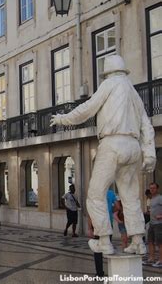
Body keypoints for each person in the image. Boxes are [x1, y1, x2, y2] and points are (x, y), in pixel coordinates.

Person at [50, 55, 156, 255]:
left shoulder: (109, 84)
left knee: (96, 194)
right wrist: (149, 153)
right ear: (124, 70)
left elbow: (87, 109)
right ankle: (138, 241)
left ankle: (104, 240)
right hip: (133, 146)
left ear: (107, 73)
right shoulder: (133, 92)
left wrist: (63, 119)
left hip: (112, 144)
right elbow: (146, 124)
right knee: (131, 196)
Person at [91, 188, 117, 277]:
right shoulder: (111, 193)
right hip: (108, 225)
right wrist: (110, 211)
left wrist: (90, 228)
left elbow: (91, 211)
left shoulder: (95, 192)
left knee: (97, 250)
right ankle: (113, 272)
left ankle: (99, 273)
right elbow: (118, 207)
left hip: (98, 226)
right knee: (107, 248)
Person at [146, 182, 162, 267]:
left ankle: (160, 260)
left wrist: (161, 216)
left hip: (159, 224)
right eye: (151, 188)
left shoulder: (160, 198)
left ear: (157, 189)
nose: (152, 189)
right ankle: (151, 259)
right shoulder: (151, 199)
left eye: (154, 188)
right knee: (150, 242)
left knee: (160, 243)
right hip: (151, 224)